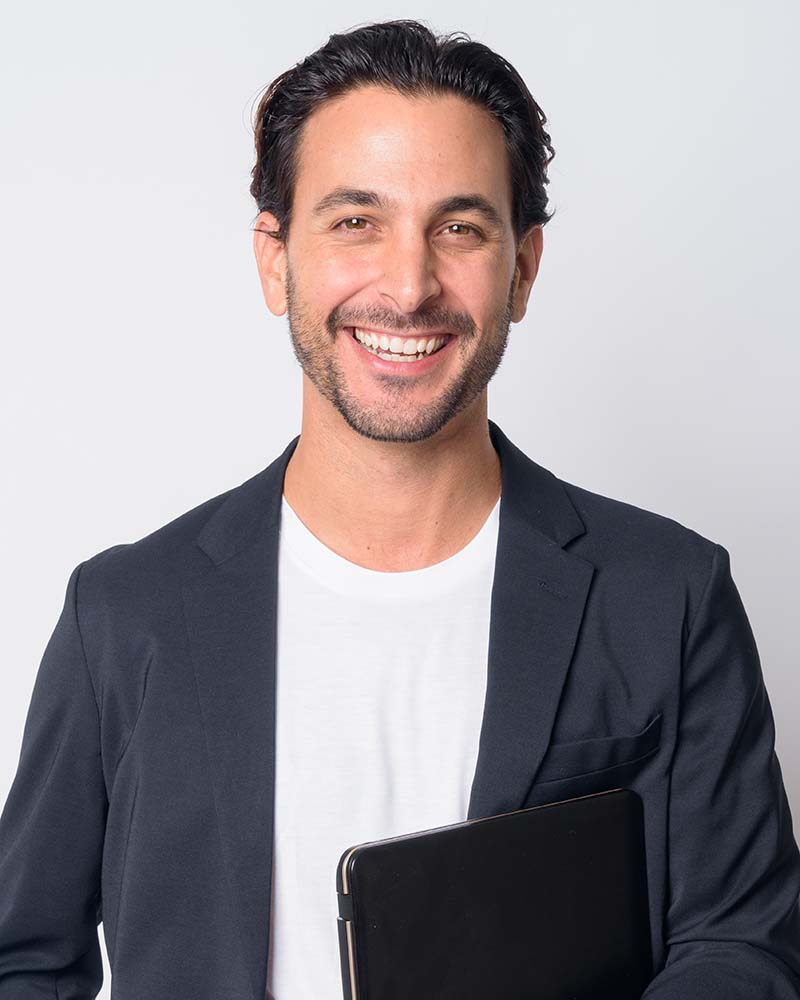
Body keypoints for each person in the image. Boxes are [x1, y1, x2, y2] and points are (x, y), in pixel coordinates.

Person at [1, 17, 798, 1000]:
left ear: (523, 268)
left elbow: (740, 944)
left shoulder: (665, 596)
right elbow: (23, 958)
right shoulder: (123, 613)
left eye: (458, 227)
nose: (409, 284)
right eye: (354, 221)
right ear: (273, 257)